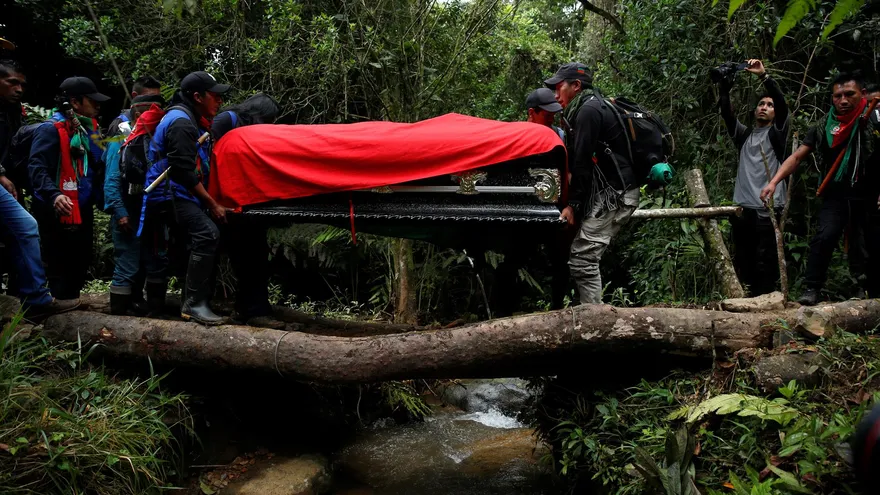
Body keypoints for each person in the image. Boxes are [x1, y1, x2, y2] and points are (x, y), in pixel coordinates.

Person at [761, 72, 880, 305]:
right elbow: (798, 156)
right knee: (825, 236)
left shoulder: (874, 116)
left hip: (871, 192)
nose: (843, 100)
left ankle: (871, 293)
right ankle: (811, 289)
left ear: (863, 94)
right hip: (836, 191)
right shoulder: (824, 124)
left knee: (872, 242)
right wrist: (774, 182)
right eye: (837, 96)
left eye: (849, 94)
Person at [545, 62, 640, 305]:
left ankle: (592, 322)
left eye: (559, 88)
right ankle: (586, 314)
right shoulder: (589, 107)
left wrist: (573, 205)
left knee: (583, 258)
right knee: (583, 255)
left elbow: (582, 162)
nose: (555, 95)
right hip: (611, 193)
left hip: (614, 195)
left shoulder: (588, 111)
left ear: (576, 86)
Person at [143, 71, 231, 324]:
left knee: (194, 241)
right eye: (215, 96)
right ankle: (194, 304)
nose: (220, 102)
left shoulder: (189, 118)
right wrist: (211, 203)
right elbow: (182, 172)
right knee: (207, 233)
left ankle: (193, 301)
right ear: (197, 97)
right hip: (168, 193)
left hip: (177, 192)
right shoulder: (182, 122)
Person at [0, 59, 80, 317]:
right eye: (12, 82)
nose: (19, 89)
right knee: (26, 226)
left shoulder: (11, 111)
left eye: (22, 84)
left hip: (6, 182)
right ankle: (36, 298)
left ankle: (24, 298)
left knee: (16, 232)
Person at [28, 76, 108, 300]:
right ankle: (56, 316)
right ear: (75, 102)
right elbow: (37, 167)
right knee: (58, 263)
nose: (98, 106)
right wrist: (54, 195)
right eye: (92, 101)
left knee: (80, 261)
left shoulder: (88, 130)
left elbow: (95, 166)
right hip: (56, 208)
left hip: (81, 207)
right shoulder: (50, 129)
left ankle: (71, 311)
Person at [211, 93, 283, 327]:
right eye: (270, 119)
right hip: (228, 202)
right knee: (249, 257)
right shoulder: (227, 121)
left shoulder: (247, 128)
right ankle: (254, 310)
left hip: (249, 202)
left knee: (256, 255)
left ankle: (249, 308)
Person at [719, 59, 790, 296]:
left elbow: (782, 103)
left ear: (775, 113)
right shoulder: (745, 135)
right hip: (744, 208)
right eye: (761, 104)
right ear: (754, 110)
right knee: (744, 258)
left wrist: (763, 76)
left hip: (769, 207)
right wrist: (724, 88)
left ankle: (766, 301)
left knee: (766, 259)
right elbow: (727, 115)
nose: (764, 107)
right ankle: (748, 300)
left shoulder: (777, 134)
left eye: (769, 105)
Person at [104, 93, 166, 315]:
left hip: (153, 212)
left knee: (156, 261)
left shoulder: (157, 137)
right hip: (128, 211)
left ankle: (156, 313)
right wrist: (120, 212)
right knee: (128, 264)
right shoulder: (120, 139)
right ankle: (119, 317)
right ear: (139, 113)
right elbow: (111, 180)